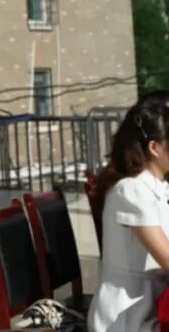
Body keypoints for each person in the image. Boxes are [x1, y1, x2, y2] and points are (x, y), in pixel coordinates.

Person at [88, 96, 169, 332]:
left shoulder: (157, 186)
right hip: (128, 315)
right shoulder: (131, 190)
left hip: (152, 302)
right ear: (154, 148)